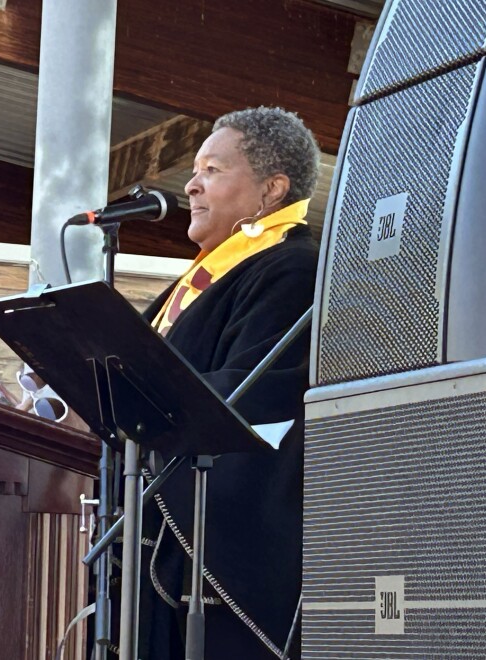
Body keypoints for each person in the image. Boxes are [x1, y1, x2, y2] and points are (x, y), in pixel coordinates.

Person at [134, 106, 320, 659]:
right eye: (195, 170)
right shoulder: (195, 281)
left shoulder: (293, 268)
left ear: (272, 189)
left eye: (212, 170)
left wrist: (138, 394)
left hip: (221, 551)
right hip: (158, 521)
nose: (190, 184)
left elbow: (256, 393)